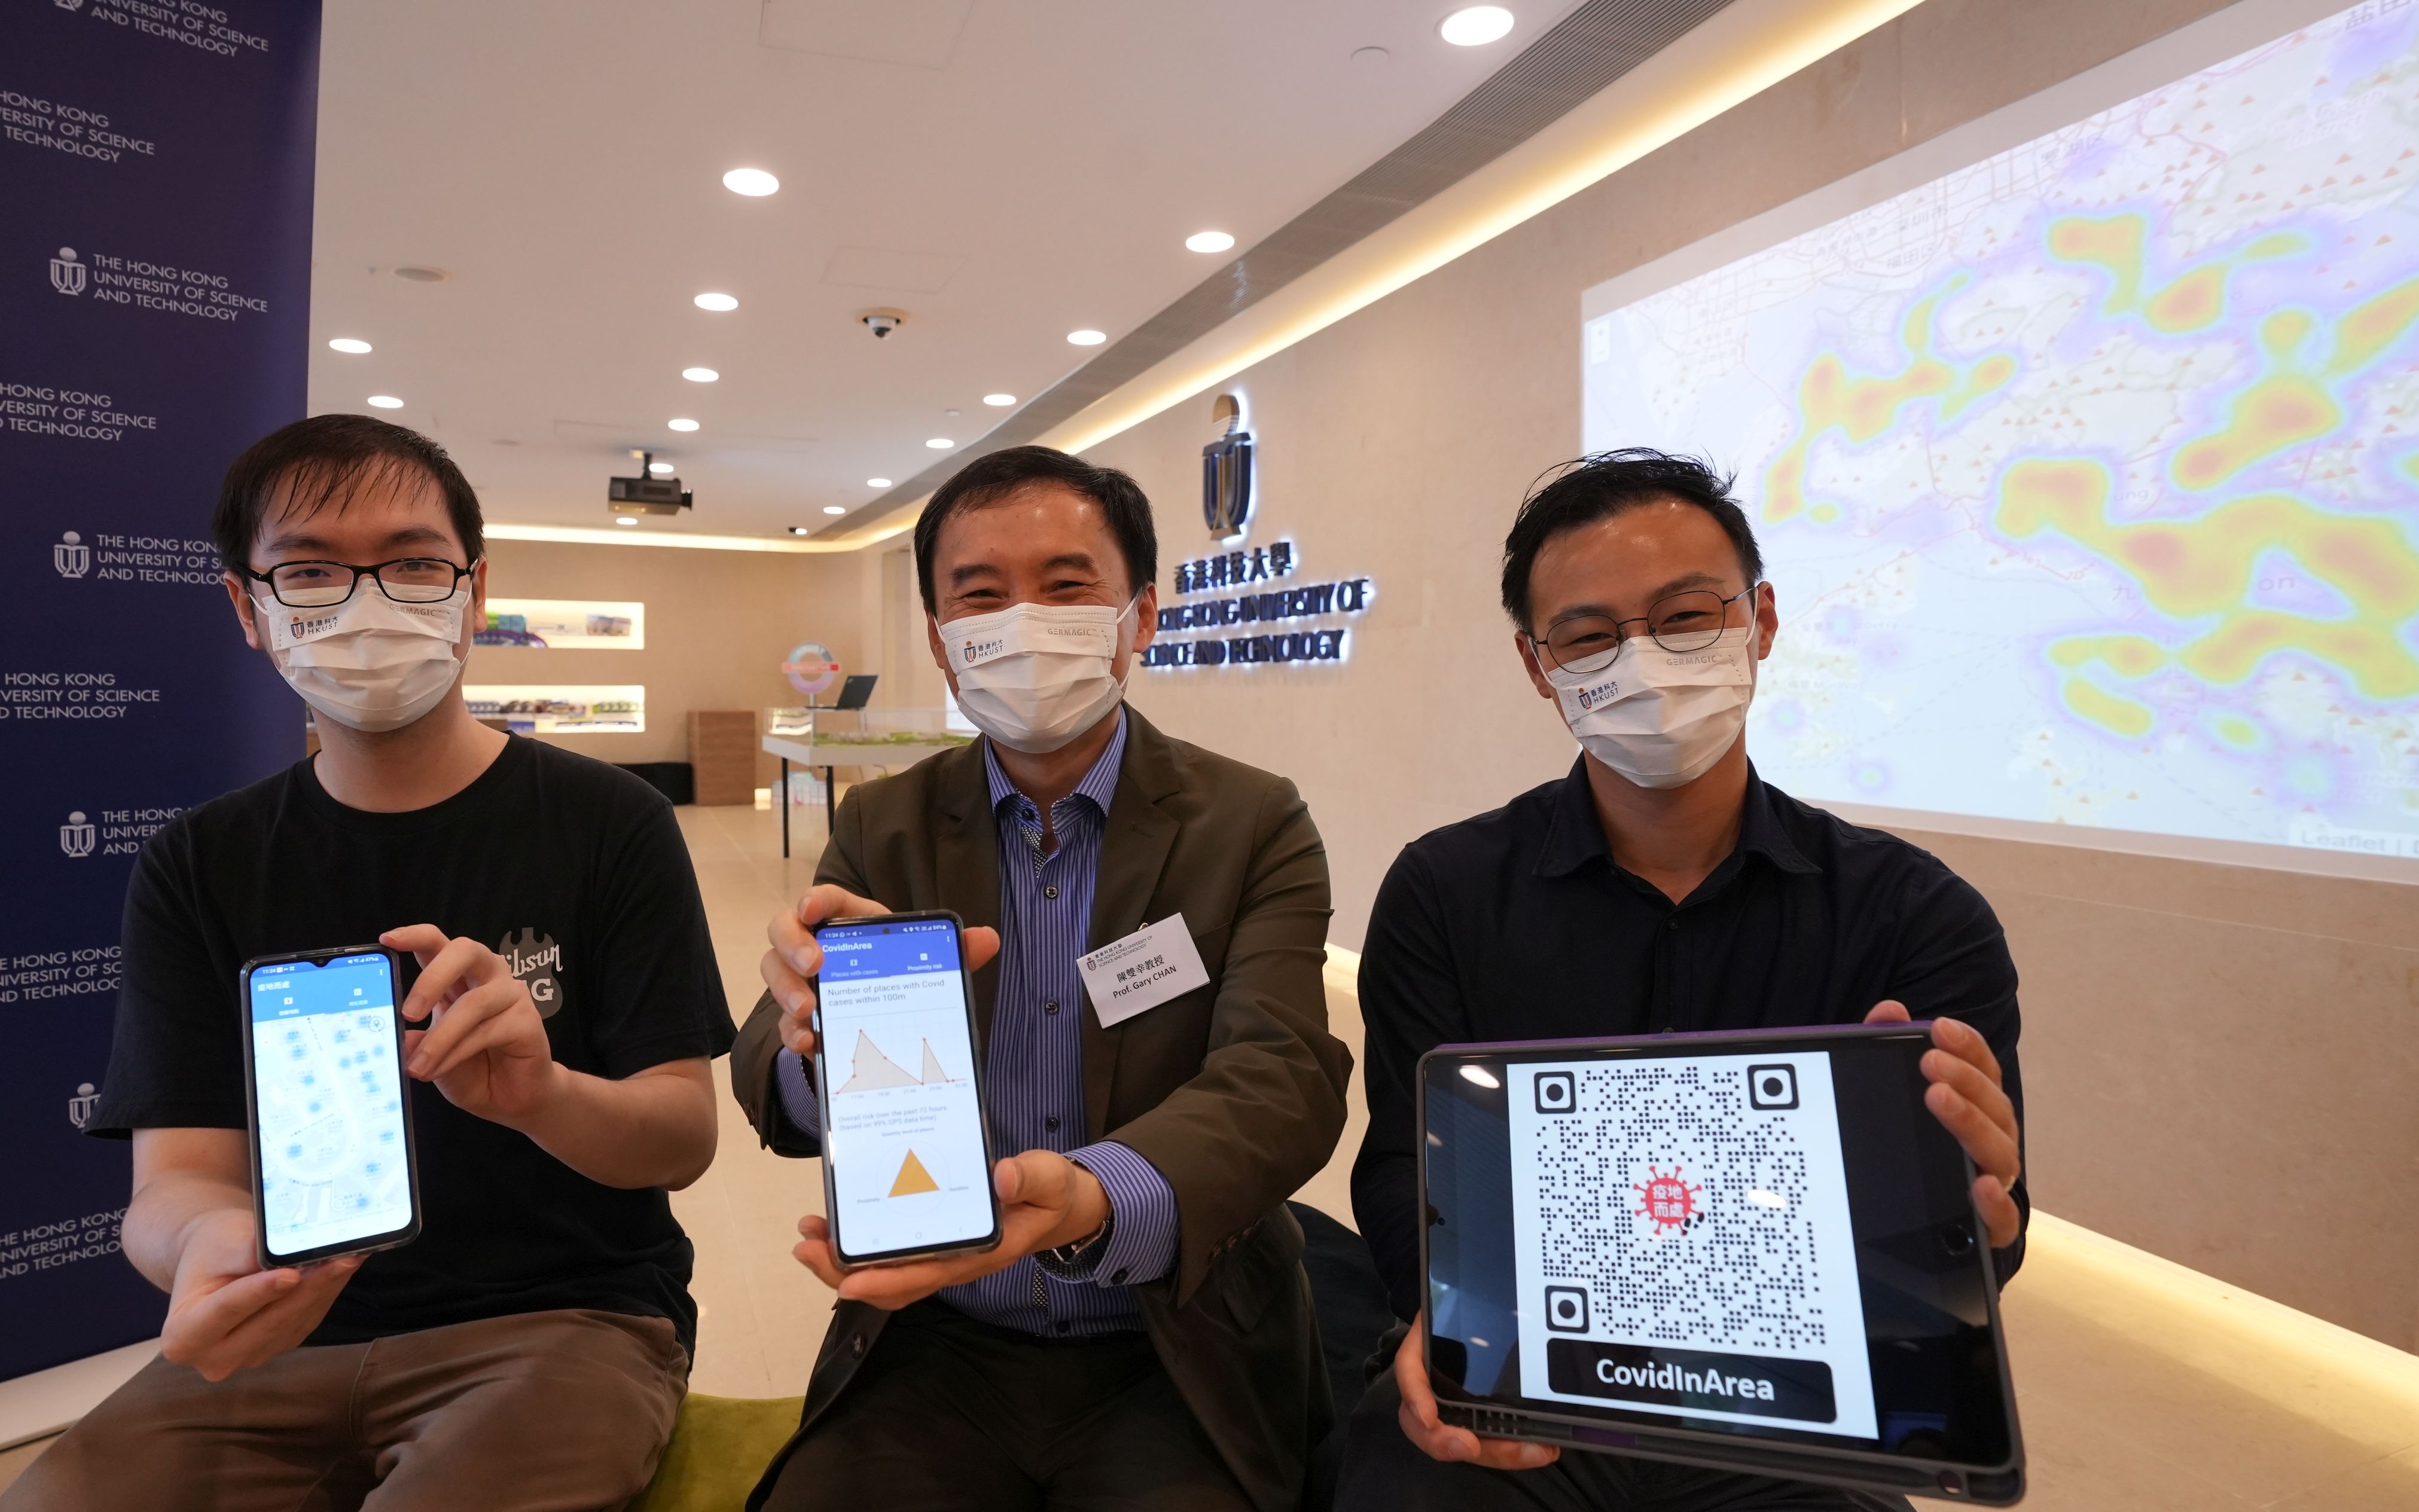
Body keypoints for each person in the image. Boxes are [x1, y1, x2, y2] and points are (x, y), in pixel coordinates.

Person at [3, 415, 733, 1511]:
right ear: (249, 608)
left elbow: (679, 1136)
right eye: (309, 570)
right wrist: (220, 1242)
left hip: (563, 1318)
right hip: (280, 1335)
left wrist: (543, 1096)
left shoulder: (610, 822)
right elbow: (171, 1183)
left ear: (473, 591)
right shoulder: (198, 862)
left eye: (411, 563)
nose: (367, 604)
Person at [1337, 450, 2027, 1512]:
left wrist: (1975, 1228)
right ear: (1538, 665)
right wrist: (1443, 1310)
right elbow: (1399, 1170)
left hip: (1792, 1417)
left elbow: (1983, 1226)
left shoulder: (1914, 912)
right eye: (1588, 634)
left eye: (1685, 614)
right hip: (1527, 1381)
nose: (1642, 659)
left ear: (1759, 618)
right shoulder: (1445, 890)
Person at [729, 445, 1352, 1512]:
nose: (1021, 622)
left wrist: (1095, 1197)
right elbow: (765, 1076)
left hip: (1173, 1335)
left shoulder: (1252, 820)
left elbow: (1282, 1074)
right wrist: (812, 1038)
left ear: (1139, 617)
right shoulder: (886, 822)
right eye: (981, 595)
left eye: (1067, 587)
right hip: (937, 1333)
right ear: (941, 639)